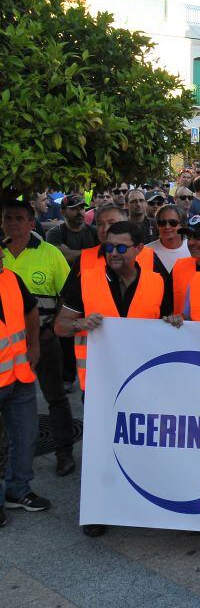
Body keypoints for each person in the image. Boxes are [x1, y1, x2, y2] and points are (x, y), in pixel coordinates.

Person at [55, 220, 171, 535]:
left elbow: (171, 326)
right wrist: (79, 325)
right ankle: (97, 509)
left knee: (141, 446)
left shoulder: (159, 282)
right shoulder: (85, 279)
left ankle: (143, 505)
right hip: (99, 384)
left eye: (121, 247)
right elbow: (60, 326)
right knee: (99, 450)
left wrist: (175, 321)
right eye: (109, 247)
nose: (114, 253)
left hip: (143, 385)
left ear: (138, 249)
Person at [1, 199, 75, 478]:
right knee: (11, 406)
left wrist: (53, 326)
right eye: (8, 218)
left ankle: (64, 452)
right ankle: (11, 463)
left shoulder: (50, 253)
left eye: (19, 218)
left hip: (43, 339)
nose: (13, 224)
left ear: (32, 223)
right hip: (6, 350)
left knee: (55, 397)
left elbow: (67, 295)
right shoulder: (1, 254)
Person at [0, 243, 46, 523]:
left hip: (19, 376)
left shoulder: (10, 279)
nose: (1, 256)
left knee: (26, 437)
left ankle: (17, 490)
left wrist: (35, 346)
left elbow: (31, 310)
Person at [170, 211, 200, 310]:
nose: (191, 243)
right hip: (181, 326)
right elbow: (165, 308)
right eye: (188, 237)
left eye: (197, 237)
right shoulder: (179, 267)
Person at [46, 194, 98, 265]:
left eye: (82, 208)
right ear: (63, 212)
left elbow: (102, 255)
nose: (79, 212)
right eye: (74, 208)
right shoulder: (55, 233)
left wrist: (70, 252)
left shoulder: (94, 231)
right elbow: (64, 257)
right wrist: (93, 253)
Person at [147, 204, 190, 272]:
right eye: (162, 223)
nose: (167, 227)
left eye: (173, 222)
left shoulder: (192, 249)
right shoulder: (146, 251)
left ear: (183, 225)